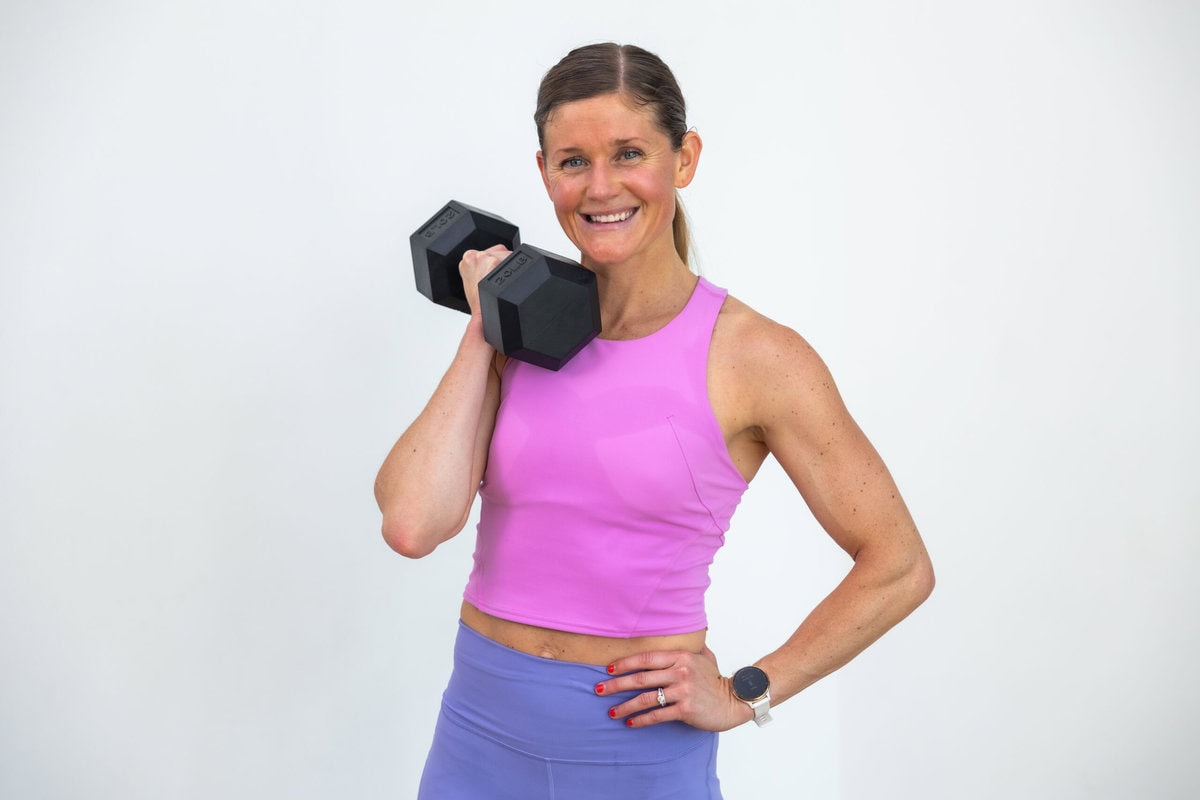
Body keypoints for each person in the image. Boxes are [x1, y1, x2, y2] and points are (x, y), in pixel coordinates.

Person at [375, 42, 934, 799]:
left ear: (684, 158)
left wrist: (747, 692)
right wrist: (484, 325)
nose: (600, 187)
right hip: (478, 735)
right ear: (543, 172)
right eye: (572, 161)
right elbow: (412, 524)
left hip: (633, 756)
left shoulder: (756, 357)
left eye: (629, 153)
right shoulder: (518, 334)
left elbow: (898, 565)